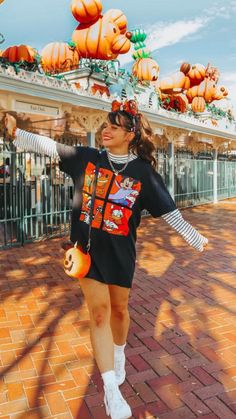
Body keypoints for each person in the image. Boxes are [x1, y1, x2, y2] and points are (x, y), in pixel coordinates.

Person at [5, 101, 208, 419]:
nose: (106, 129)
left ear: (131, 134)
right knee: (99, 315)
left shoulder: (143, 172)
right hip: (86, 253)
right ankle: (112, 390)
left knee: (119, 311)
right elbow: (50, 146)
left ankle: (119, 351)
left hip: (121, 255)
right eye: (105, 124)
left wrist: (195, 239)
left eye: (115, 125)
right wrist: (16, 133)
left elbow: (168, 210)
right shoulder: (87, 158)